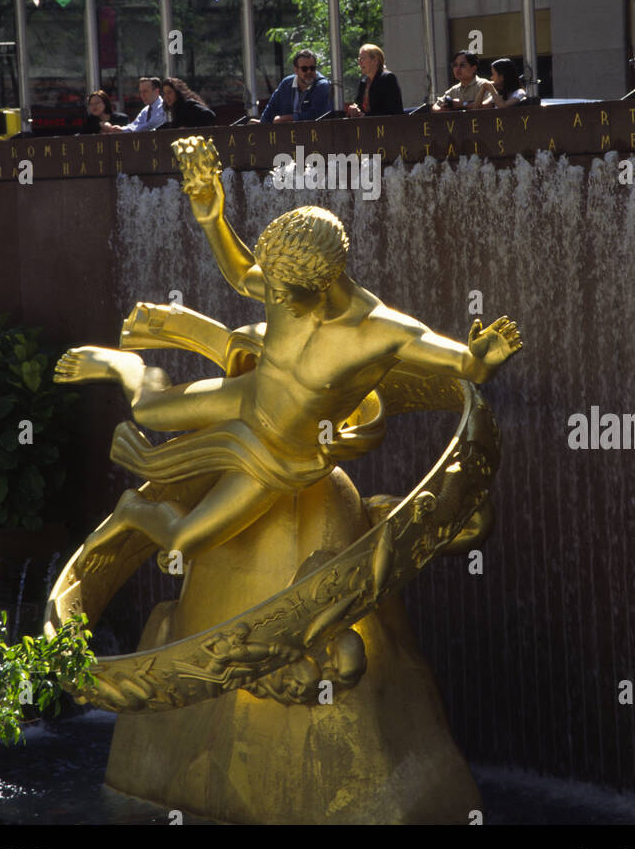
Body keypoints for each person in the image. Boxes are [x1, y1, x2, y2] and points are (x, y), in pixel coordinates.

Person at [54, 135, 522, 571]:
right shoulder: (289, 285)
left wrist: (483, 358)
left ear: (322, 285)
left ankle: (134, 510)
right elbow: (241, 276)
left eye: (281, 293)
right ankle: (124, 363)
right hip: (246, 396)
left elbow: (465, 367)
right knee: (146, 409)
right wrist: (211, 218)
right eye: (271, 286)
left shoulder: (380, 332)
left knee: (179, 543)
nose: (270, 298)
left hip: (281, 456)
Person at [259, 49, 331, 124]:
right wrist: (261, 124)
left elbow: (316, 115)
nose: (309, 71)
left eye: (312, 68)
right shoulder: (286, 83)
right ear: (296, 70)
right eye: (304, 69)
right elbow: (271, 108)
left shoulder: (322, 86)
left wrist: (287, 118)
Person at [346, 44, 403, 117]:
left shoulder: (388, 78)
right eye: (359, 59)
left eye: (363, 59)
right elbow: (358, 104)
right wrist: (354, 108)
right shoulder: (363, 82)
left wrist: (366, 115)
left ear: (375, 60)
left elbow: (392, 110)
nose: (359, 63)